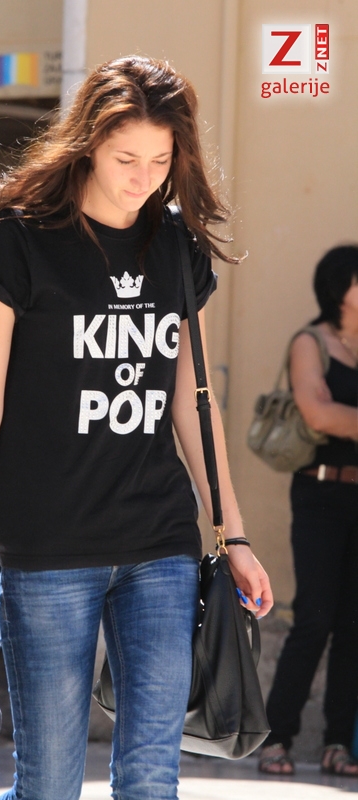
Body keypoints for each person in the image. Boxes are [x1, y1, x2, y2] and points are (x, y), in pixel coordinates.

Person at [0, 56, 273, 800]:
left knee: (150, 777)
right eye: (125, 158)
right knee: (48, 785)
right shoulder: (21, 240)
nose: (143, 179)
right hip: (49, 548)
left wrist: (233, 536)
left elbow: (193, 404)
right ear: (87, 146)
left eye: (160, 161)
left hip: (160, 545)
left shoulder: (177, 246)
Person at [259, 246, 358, 776]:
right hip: (319, 497)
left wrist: (345, 414)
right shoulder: (310, 341)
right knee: (314, 618)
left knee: (354, 625)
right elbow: (318, 415)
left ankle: (337, 744)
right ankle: (276, 738)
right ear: (339, 289)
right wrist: (334, 413)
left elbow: (337, 414)